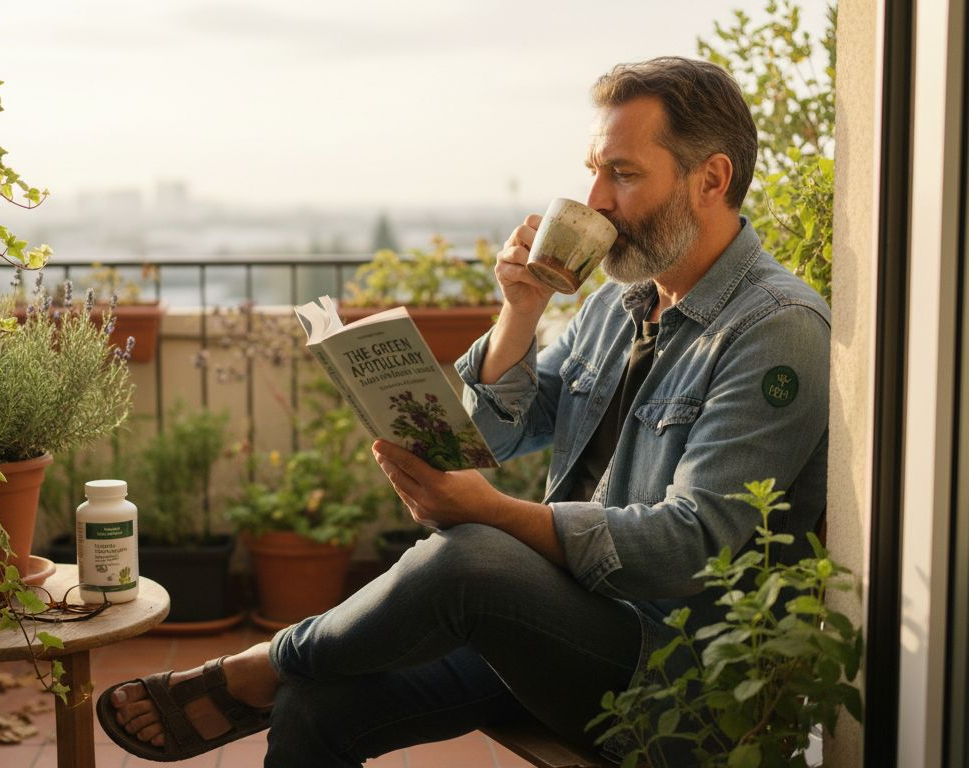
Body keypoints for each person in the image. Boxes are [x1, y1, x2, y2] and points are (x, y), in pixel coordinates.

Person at [96, 56, 830, 766]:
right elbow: (494, 436)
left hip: (662, 682)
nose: (596, 199)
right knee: (313, 709)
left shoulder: (775, 329)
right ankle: (283, 678)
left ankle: (265, 663)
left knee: (471, 557)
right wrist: (519, 312)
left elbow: (691, 543)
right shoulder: (618, 303)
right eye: (595, 170)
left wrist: (497, 515)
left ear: (712, 179)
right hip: (552, 630)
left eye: (624, 174)